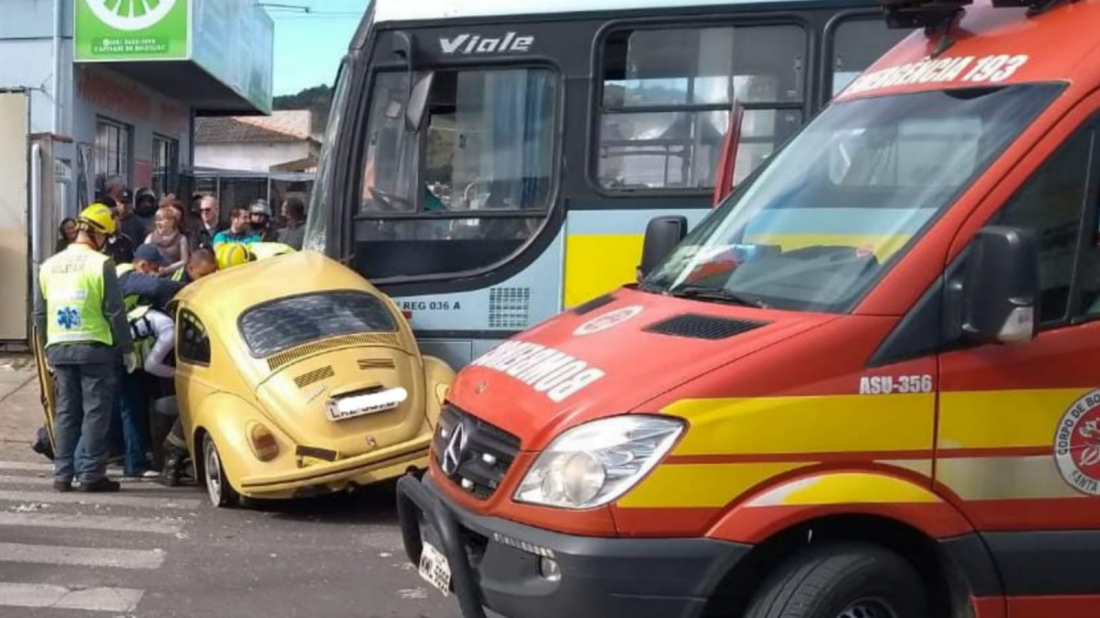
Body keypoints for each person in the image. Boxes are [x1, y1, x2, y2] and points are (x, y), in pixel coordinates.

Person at [35, 203, 135, 493]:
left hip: (60, 348)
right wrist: (127, 348)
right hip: (95, 348)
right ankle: (91, 473)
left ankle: (63, 474)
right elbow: (115, 311)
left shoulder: (48, 265)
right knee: (95, 412)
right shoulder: (101, 264)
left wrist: (46, 349)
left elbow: (40, 315)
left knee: (66, 412)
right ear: (98, 234)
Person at [117, 244, 186, 311]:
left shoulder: (124, 267)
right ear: (142, 265)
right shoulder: (130, 278)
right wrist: (184, 286)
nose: (158, 272)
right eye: (155, 268)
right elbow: (156, 285)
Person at [144, 207, 190, 276]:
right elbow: (143, 257)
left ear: (171, 222)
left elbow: (184, 261)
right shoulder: (150, 238)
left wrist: (167, 269)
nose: (158, 223)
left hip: (174, 275)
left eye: (161, 220)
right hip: (153, 275)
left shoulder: (181, 239)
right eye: (157, 220)